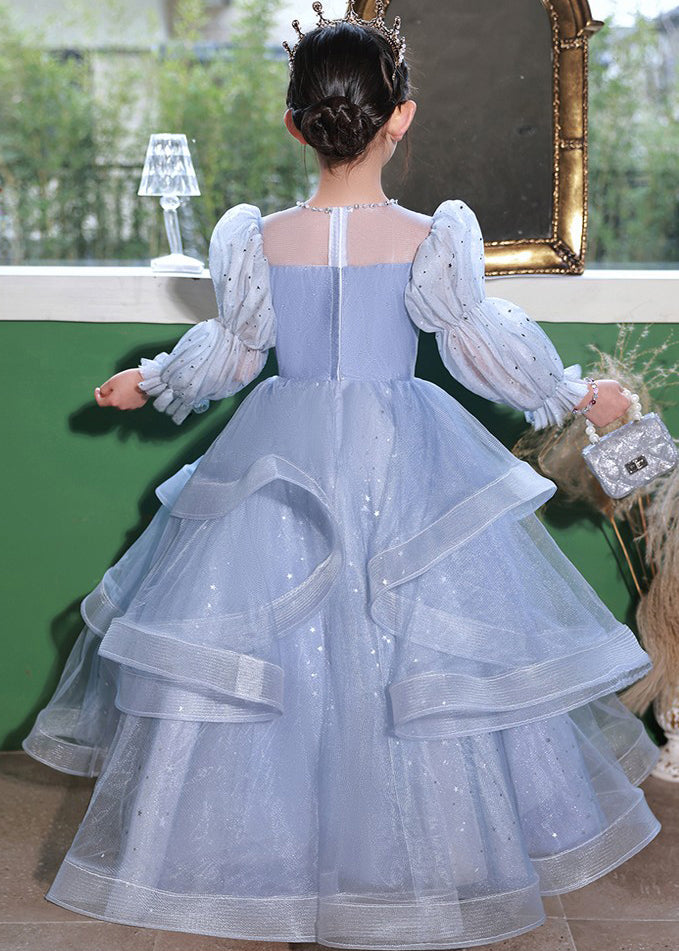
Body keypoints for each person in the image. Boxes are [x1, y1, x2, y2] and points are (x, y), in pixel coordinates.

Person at [23, 2, 661, 947]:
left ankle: (266, 846)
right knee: (411, 646)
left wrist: (151, 382)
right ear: (401, 117)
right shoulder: (428, 238)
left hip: (281, 455)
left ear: (296, 126)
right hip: (405, 451)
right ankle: (420, 859)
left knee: (280, 647)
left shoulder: (260, 240)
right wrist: (572, 393)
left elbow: (234, 354)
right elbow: (481, 350)